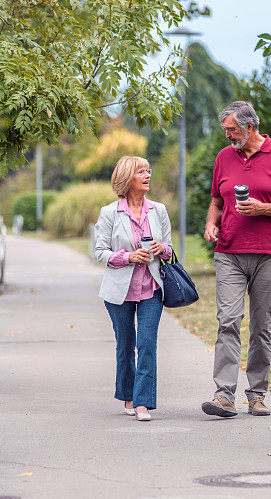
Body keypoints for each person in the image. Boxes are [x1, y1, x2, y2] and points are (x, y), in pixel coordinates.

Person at [201, 101, 271, 418]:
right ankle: (223, 396)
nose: (228, 135)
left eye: (232, 129)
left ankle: (257, 395)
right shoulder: (224, 157)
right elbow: (216, 201)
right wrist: (210, 223)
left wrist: (262, 208)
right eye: (225, 130)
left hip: (269, 253)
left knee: (261, 328)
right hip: (229, 252)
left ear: (250, 127)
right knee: (228, 322)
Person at [94, 156, 173, 422]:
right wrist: (128, 257)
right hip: (119, 291)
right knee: (125, 344)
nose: (148, 175)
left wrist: (163, 249)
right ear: (128, 178)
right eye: (142, 171)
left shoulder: (158, 210)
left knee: (147, 343)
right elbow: (99, 252)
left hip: (152, 287)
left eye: (148, 170)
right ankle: (127, 395)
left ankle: (142, 403)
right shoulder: (110, 213)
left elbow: (170, 247)